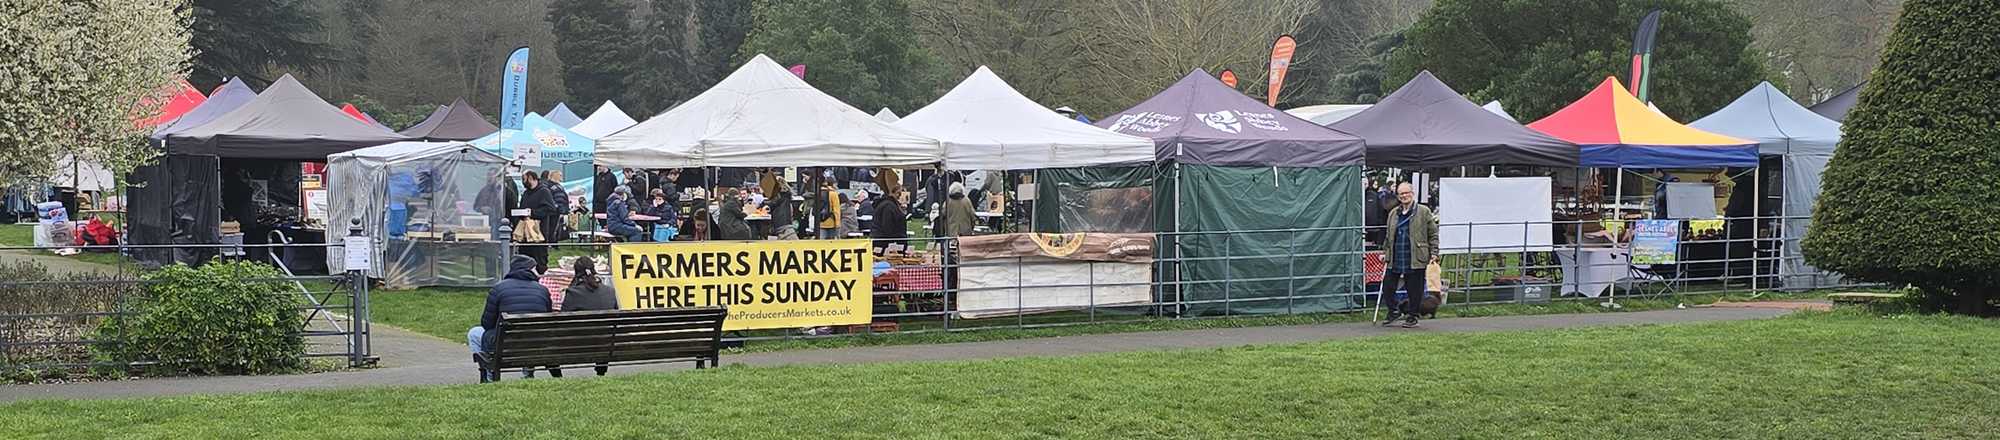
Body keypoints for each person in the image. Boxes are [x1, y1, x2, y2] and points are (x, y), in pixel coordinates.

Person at [470, 255, 555, 382]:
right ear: (530, 270)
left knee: (474, 333)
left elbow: (487, 324)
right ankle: (527, 374)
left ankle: (488, 375)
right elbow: (547, 321)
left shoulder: (498, 289)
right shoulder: (542, 290)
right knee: (530, 333)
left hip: (504, 344)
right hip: (535, 343)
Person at [1380, 182, 1438, 328]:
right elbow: (1388, 236)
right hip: (1396, 255)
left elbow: (1433, 233)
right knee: (1388, 285)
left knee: (1415, 288)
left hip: (1416, 255)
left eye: (1407, 193)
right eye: (1401, 194)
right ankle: (1394, 310)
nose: (1404, 196)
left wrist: (1434, 252)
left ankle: (1413, 315)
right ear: (1398, 196)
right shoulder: (1393, 213)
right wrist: (1385, 253)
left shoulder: (1423, 211)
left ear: (1412, 194)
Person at [559, 256, 616, 376]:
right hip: (606, 343)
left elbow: (562, 318)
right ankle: (601, 371)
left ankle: (557, 377)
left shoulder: (573, 293)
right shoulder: (610, 291)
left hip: (578, 344)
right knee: (603, 332)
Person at [516, 172, 553, 273]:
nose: (523, 182)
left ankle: (541, 277)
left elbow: (550, 209)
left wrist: (533, 213)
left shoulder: (544, 192)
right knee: (524, 256)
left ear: (531, 178)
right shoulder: (526, 193)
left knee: (539, 257)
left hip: (538, 231)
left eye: (525, 179)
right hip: (525, 231)